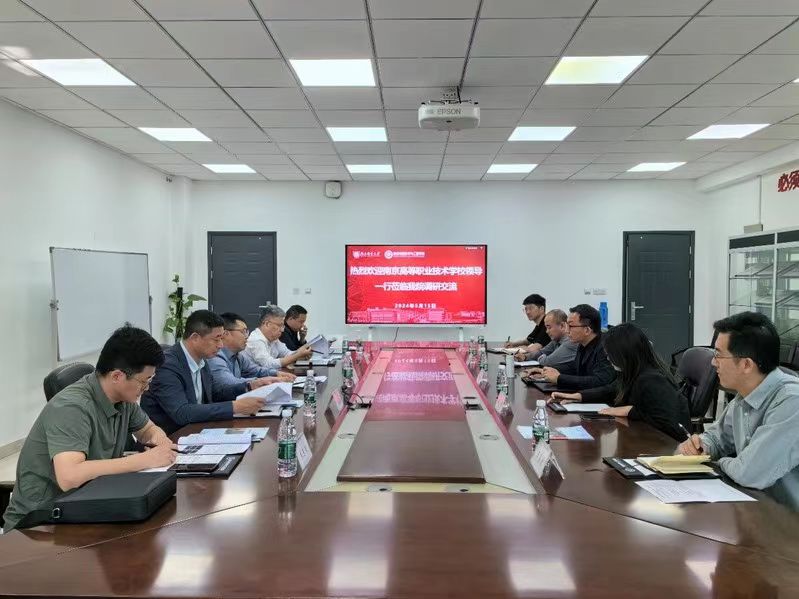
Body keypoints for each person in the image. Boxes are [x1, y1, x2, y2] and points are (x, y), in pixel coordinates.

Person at [3, 326, 176, 532]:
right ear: (117, 376)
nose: (146, 388)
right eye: (144, 381)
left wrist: (160, 442)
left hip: (87, 502)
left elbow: (148, 430)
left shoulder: (123, 398)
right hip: (40, 521)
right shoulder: (71, 407)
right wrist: (146, 460)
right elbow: (69, 477)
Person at [677, 312, 799, 510]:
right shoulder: (744, 395)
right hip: (755, 507)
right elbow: (717, 438)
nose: (713, 362)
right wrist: (702, 447)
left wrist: (717, 462)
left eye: (718, 354)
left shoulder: (792, 402)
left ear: (746, 364)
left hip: (787, 519)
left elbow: (750, 473)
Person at [553, 323, 690, 440]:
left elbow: (667, 422)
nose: (608, 358)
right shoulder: (631, 373)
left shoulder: (652, 380)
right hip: (641, 438)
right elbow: (611, 389)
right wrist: (579, 396)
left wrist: (630, 411)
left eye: (610, 354)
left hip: (666, 445)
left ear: (624, 353)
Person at [141, 310, 266, 435]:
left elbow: (215, 393)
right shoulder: (167, 365)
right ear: (195, 338)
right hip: (170, 437)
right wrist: (235, 407)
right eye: (216, 339)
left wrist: (249, 386)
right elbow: (182, 412)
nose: (221, 345)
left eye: (221, 339)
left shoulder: (202, 360)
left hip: (198, 432)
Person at [209, 312, 296, 401]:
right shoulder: (215, 357)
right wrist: (259, 381)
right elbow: (229, 383)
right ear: (226, 334)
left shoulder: (238, 356)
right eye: (243, 331)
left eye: (247, 331)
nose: (247, 336)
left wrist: (276, 373)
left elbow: (256, 370)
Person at [535, 304, 616, 391]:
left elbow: (599, 380)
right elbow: (575, 367)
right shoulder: (582, 343)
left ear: (587, 330)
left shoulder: (606, 347)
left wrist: (559, 378)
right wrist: (546, 371)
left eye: (570, 326)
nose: (567, 331)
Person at [246, 305, 313, 369]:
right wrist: (297, 355)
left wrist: (302, 355)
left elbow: (287, 353)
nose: (282, 330)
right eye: (279, 325)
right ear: (267, 324)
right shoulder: (256, 339)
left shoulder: (274, 340)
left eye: (283, 326)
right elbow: (268, 364)